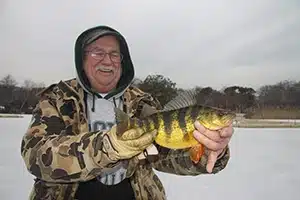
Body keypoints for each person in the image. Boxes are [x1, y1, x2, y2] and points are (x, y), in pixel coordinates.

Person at [21, 25, 234, 200]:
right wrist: (106, 147)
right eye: (98, 52)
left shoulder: (142, 103)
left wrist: (207, 150)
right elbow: (35, 155)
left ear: (123, 62)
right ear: (82, 59)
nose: (107, 60)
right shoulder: (57, 99)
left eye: (114, 54)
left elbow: (164, 156)